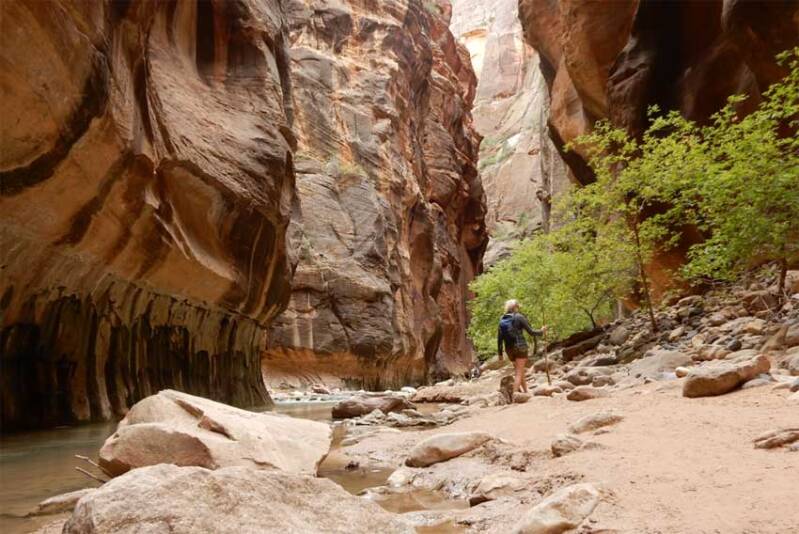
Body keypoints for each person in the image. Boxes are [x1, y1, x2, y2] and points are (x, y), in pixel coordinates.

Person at [497, 299, 547, 394]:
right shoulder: (519, 317)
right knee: (519, 372)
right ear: (515, 307)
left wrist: (500, 354)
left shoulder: (502, 320)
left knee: (519, 371)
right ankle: (515, 396)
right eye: (518, 307)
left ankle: (526, 392)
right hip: (520, 347)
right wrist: (542, 331)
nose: (518, 308)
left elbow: (499, 339)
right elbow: (531, 332)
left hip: (509, 350)